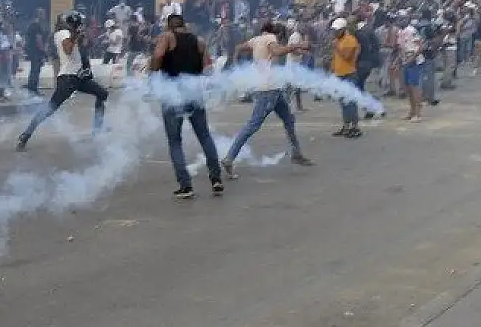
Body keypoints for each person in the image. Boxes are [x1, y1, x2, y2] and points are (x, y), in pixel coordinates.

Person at [221, 21, 314, 179]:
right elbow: (276, 51)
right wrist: (292, 47)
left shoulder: (256, 39)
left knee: (289, 119)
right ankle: (229, 158)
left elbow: (238, 48)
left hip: (274, 89)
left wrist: (237, 65)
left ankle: (296, 153)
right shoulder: (270, 38)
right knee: (252, 125)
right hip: (268, 90)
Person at [151, 13, 225, 198]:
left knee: (175, 141)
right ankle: (216, 179)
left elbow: (158, 57)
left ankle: (186, 186)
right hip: (194, 92)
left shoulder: (167, 36)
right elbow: (209, 67)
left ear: (170, 26)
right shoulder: (198, 40)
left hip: (173, 93)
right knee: (204, 136)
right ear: (184, 25)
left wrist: (154, 65)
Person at [16, 11, 108, 150]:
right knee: (50, 108)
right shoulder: (62, 33)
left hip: (79, 76)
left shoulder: (72, 33)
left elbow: (85, 46)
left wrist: (82, 35)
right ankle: (26, 134)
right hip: (68, 78)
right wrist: (76, 34)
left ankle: (97, 130)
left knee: (102, 93)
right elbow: (68, 50)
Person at [330, 17, 362, 137]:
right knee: (343, 101)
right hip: (339, 74)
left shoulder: (350, 40)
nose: (335, 32)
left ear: (343, 29)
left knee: (350, 102)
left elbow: (347, 56)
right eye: (334, 30)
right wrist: (332, 69)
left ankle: (355, 127)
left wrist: (336, 47)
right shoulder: (338, 40)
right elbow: (336, 58)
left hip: (349, 74)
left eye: (337, 30)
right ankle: (346, 126)